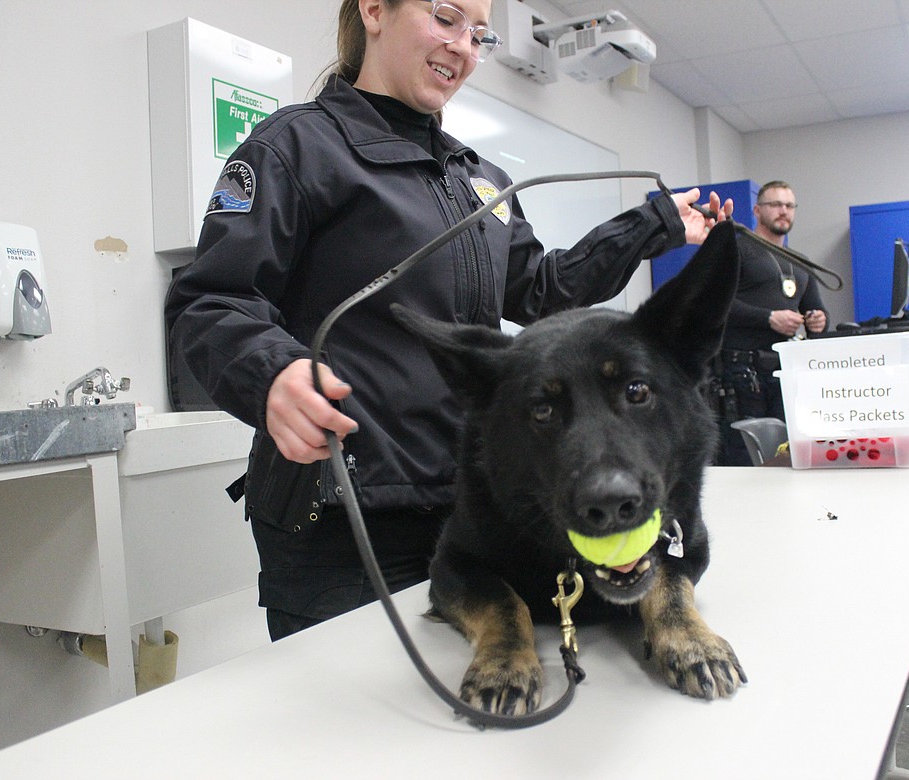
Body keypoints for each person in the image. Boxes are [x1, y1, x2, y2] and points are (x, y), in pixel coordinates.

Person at [164, 0, 732, 641]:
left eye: (480, 33)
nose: (464, 45)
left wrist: (653, 225)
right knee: (368, 729)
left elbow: (545, 293)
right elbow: (209, 301)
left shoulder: (479, 181)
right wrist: (273, 374)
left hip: (469, 508)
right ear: (374, 10)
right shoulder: (294, 148)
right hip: (348, 520)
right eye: (445, 16)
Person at [712, 180, 827, 466]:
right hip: (741, 372)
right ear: (757, 210)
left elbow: (818, 313)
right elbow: (716, 302)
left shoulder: (800, 261)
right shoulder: (737, 249)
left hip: (784, 373)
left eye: (789, 206)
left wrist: (817, 320)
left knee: (785, 454)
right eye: (775, 204)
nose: (783, 211)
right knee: (744, 458)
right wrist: (768, 318)